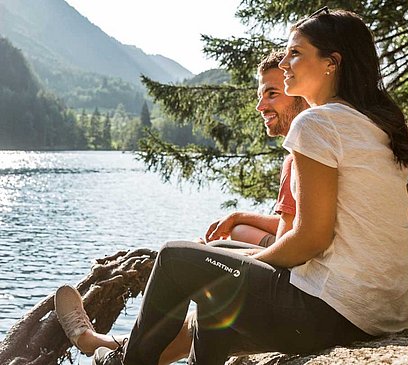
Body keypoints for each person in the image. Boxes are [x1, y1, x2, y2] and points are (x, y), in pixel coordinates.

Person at [54, 51, 308, 364]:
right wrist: (234, 226)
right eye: (260, 95)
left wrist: (213, 260)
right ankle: (105, 345)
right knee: (224, 246)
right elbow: (298, 226)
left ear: (301, 91)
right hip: (308, 293)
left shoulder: (305, 152)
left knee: (184, 262)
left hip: (305, 304)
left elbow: (293, 246)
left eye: (272, 93)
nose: (260, 106)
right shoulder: (315, 146)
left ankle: (101, 347)